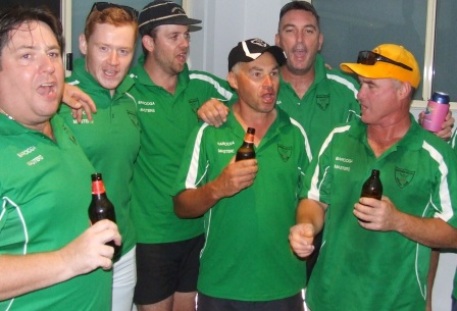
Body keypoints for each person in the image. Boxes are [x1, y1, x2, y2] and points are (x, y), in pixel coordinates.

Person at [197, 0, 454, 282]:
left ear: (320, 40)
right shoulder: (259, 91)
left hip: (332, 232)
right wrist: (211, 107)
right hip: (271, 228)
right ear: (278, 39)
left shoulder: (346, 90)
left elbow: (389, 117)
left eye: (308, 31)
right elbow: (233, 107)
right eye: (290, 31)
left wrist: (429, 133)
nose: (299, 40)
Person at [289, 43, 457, 311]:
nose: (359, 94)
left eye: (371, 86)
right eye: (360, 84)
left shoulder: (435, 156)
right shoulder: (339, 139)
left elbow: (453, 232)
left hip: (397, 303)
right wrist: (306, 226)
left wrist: (398, 221)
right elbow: (314, 200)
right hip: (328, 299)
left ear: (402, 90)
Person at [173, 38, 311, 311]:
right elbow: (181, 205)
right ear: (233, 80)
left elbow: (312, 197)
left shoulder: (294, 132)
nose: (269, 83)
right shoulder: (210, 132)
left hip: (283, 285)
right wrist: (218, 188)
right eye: (256, 74)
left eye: (273, 73)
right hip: (222, 285)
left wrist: (306, 226)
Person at [0, 6, 121, 310]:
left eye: (53, 54)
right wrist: (68, 260)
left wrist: (58, 92)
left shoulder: (57, 122)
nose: (48, 67)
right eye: (27, 55)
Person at [129, 1, 233, 310]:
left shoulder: (204, 86)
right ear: (148, 42)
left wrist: (221, 109)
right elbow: (85, 87)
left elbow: (255, 98)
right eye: (174, 36)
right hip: (152, 236)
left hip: (200, 231)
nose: (185, 44)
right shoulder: (127, 90)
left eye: (186, 36)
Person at [57, 3, 140, 311]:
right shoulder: (57, 99)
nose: (113, 61)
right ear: (83, 44)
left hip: (124, 246)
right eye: (103, 48)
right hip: (74, 250)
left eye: (123, 50)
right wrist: (57, 91)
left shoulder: (130, 100)